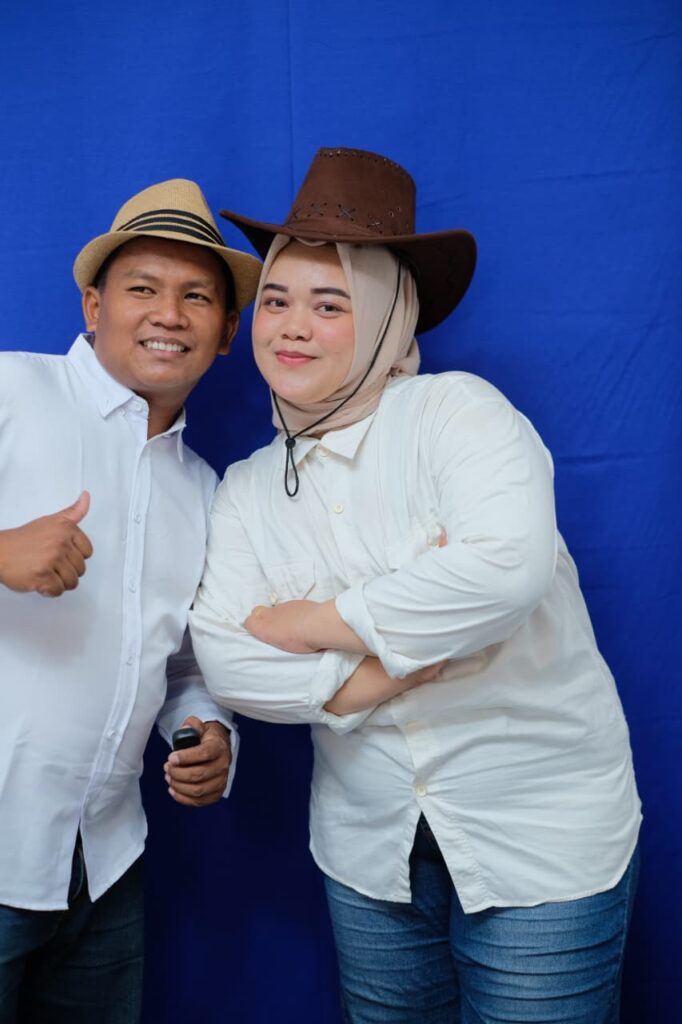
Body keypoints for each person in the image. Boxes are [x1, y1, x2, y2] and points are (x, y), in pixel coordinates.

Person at [189, 147, 641, 1024]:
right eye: (276, 300)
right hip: (370, 853)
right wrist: (382, 673)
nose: (293, 327)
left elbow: (505, 571)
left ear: (388, 319)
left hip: (540, 837)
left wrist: (311, 621)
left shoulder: (458, 414)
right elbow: (228, 660)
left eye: (332, 305)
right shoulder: (247, 488)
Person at [0, 178, 261, 1024]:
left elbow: (181, 661)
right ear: (93, 307)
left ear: (227, 332)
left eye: (198, 297)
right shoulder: (11, 391)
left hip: (106, 864)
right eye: (143, 288)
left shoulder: (204, 488)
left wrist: (208, 726)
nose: (169, 315)